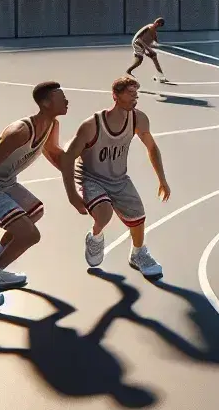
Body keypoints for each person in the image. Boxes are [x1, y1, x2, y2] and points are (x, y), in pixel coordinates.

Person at [0, 81, 72, 307]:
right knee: (30, 235)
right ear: (45, 103)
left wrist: (82, 174)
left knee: (35, 211)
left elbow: (53, 153)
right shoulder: (20, 132)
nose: (66, 100)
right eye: (61, 97)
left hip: (5, 180)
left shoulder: (52, 125)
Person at [62, 76, 171, 279]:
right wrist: (71, 195)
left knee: (138, 215)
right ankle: (95, 237)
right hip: (90, 176)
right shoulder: (92, 125)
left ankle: (138, 254)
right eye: (130, 94)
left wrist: (162, 179)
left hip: (118, 177)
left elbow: (152, 148)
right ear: (115, 96)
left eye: (136, 94)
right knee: (104, 213)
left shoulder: (139, 119)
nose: (135, 98)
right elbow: (68, 159)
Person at [126, 17, 170, 83]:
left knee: (154, 57)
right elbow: (139, 40)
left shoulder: (154, 30)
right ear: (156, 22)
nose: (157, 26)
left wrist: (154, 47)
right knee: (139, 60)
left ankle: (161, 76)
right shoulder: (149, 28)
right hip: (137, 44)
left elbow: (155, 41)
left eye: (159, 26)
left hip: (143, 45)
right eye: (157, 24)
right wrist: (148, 49)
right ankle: (128, 71)